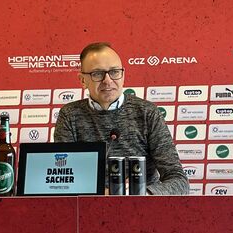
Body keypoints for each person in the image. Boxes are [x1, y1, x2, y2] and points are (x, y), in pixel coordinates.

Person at [54, 42, 189, 195]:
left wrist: (140, 195)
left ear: (123, 74)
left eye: (114, 72)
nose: (108, 80)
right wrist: (104, 195)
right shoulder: (69, 115)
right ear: (82, 80)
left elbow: (178, 180)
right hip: (89, 209)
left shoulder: (147, 112)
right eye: (97, 73)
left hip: (143, 207)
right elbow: (64, 178)